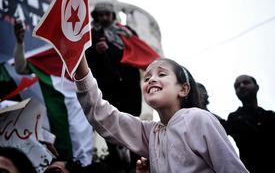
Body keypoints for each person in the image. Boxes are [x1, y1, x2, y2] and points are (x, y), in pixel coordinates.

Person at [74, 55, 249, 172]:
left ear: (183, 89)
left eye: (162, 74)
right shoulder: (150, 133)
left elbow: (232, 168)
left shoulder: (199, 119)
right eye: (147, 77)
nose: (151, 79)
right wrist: (79, 59)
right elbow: (102, 115)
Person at [87, 1, 159, 172]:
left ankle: (137, 164)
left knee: (133, 125)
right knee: (110, 125)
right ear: (96, 17)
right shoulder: (91, 35)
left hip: (129, 88)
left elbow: (137, 51)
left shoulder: (126, 32)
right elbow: (84, 60)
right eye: (101, 15)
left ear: (112, 16)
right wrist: (96, 51)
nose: (104, 18)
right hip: (107, 89)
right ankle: (117, 165)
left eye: (107, 14)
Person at [13, 20, 93, 166]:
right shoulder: (46, 55)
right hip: (58, 120)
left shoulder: (84, 53)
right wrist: (19, 43)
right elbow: (20, 68)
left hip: (84, 118)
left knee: (83, 155)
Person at [225, 74, 275, 173]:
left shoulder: (273, 116)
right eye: (237, 85)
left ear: (257, 87)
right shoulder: (234, 118)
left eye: (246, 82)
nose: (241, 86)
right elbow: (217, 126)